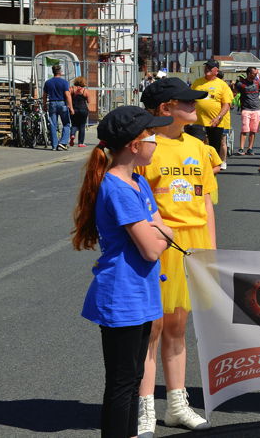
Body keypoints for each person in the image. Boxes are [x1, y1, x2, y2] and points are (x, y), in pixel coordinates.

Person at [72, 106, 173, 437]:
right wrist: (163, 233)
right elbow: (152, 246)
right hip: (122, 296)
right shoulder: (116, 188)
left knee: (132, 382)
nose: (156, 141)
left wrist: (161, 232)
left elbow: (160, 228)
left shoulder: (139, 183)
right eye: (152, 135)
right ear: (134, 144)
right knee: (121, 385)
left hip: (141, 292)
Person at [136, 77, 215, 434]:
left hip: (193, 242)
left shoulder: (199, 146)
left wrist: (210, 251)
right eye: (187, 101)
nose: (194, 105)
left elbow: (206, 201)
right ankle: (145, 409)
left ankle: (177, 404)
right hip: (158, 243)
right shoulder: (145, 147)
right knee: (151, 328)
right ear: (165, 108)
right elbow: (135, 203)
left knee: (178, 326)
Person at [191, 59, 233, 169]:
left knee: (214, 147)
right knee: (198, 146)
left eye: (210, 68)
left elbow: (226, 104)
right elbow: (190, 99)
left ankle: (213, 167)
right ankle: (199, 166)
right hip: (198, 121)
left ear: (216, 70)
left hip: (215, 122)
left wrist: (218, 117)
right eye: (206, 67)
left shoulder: (222, 85)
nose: (207, 69)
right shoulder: (197, 82)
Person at [42, 64, 73, 151]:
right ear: (60, 72)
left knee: (53, 125)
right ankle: (62, 142)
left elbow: (44, 95)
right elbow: (67, 95)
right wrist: (71, 107)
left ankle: (54, 145)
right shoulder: (64, 82)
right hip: (62, 103)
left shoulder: (48, 82)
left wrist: (44, 105)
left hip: (52, 103)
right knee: (66, 124)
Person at [234, 66, 260, 155]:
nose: (255, 75)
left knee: (253, 130)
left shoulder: (258, 83)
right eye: (254, 73)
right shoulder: (241, 84)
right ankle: (241, 148)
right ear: (249, 74)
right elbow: (234, 93)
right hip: (246, 109)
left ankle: (250, 148)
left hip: (256, 109)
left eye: (256, 73)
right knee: (245, 129)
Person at [69, 76, 90, 147]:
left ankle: (72, 135)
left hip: (74, 109)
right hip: (83, 109)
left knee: (74, 124)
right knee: (82, 125)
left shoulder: (72, 89)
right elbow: (88, 101)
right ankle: (81, 143)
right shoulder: (85, 90)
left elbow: (68, 97)